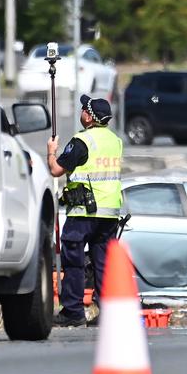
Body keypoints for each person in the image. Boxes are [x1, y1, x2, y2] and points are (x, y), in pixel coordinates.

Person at [47, 94, 123, 328]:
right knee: (103, 265)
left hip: (83, 211)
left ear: (89, 117)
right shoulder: (115, 140)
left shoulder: (82, 141)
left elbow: (56, 169)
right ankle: (107, 313)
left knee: (74, 261)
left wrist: (51, 150)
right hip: (109, 212)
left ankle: (73, 311)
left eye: (83, 109)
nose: (81, 111)